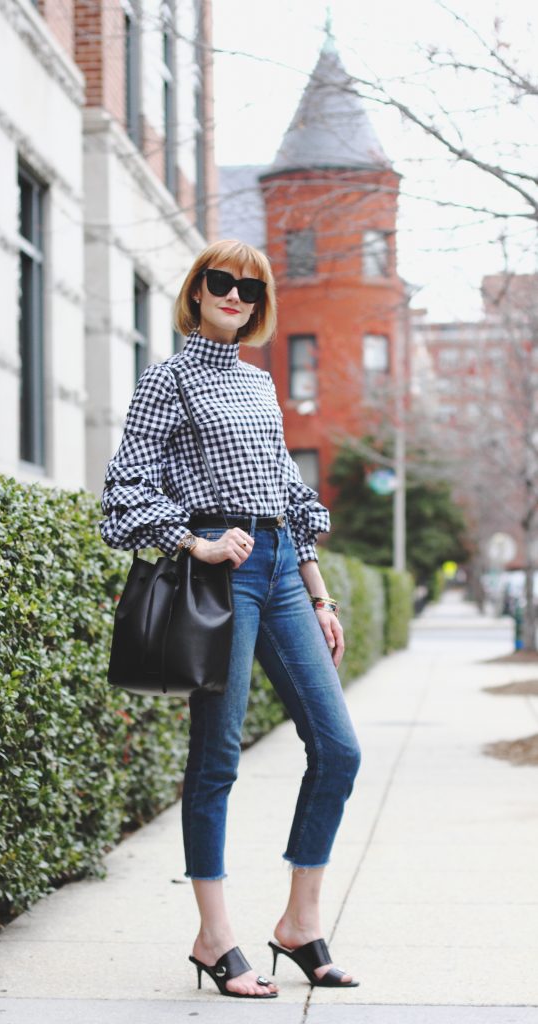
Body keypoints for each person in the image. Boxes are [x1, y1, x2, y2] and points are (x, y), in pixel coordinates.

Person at [100, 239, 361, 1000]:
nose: (235, 296)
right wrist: (196, 539)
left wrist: (318, 594)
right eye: (221, 282)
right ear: (195, 289)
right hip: (221, 579)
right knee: (217, 757)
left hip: (282, 570)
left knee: (338, 748)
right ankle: (214, 937)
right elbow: (123, 492)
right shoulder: (167, 379)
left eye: (250, 287)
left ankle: (298, 925)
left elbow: (286, 492)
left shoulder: (258, 386)